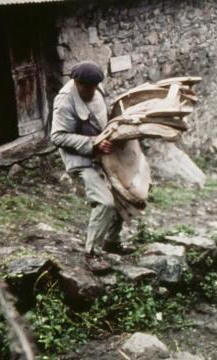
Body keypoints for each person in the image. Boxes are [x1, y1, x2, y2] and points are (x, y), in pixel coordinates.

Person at [50, 61, 136, 269]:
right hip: (81, 159)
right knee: (105, 202)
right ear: (76, 82)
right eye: (87, 87)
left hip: (104, 153)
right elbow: (58, 136)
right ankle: (92, 253)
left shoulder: (97, 88)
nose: (92, 90)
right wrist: (93, 144)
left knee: (123, 192)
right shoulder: (65, 102)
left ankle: (112, 241)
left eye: (94, 86)